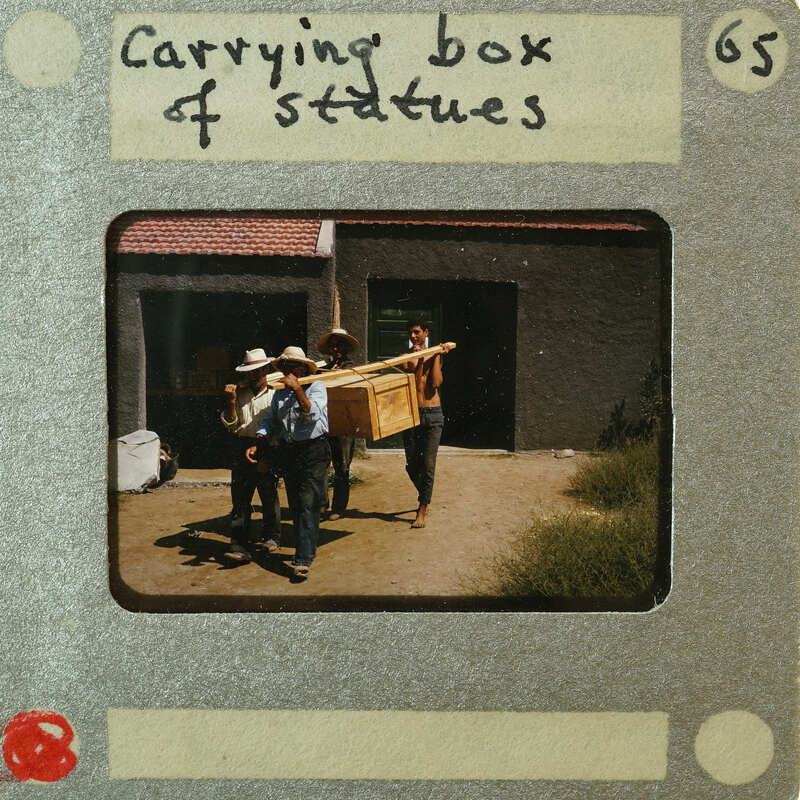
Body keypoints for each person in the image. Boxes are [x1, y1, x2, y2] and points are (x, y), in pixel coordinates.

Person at [247, 346, 330, 579]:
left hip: (314, 450)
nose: (287, 371)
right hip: (290, 451)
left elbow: (312, 415)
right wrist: (260, 439)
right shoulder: (280, 394)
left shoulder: (317, 387)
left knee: (307, 502)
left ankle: (302, 559)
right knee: (295, 503)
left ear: (302, 369)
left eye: (292, 367)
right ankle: (307, 547)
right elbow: (270, 419)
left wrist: (298, 391)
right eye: (284, 367)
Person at [220, 348, 281, 563]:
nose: (255, 375)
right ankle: (238, 546)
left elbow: (279, 425)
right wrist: (230, 401)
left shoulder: (276, 393)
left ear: (266, 370)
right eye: (251, 372)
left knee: (268, 494)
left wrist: (263, 447)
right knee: (240, 498)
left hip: (267, 446)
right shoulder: (239, 393)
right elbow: (231, 424)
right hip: (241, 444)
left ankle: (272, 537)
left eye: (259, 371)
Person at [401, 318, 454, 528]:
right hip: (411, 414)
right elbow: (414, 377)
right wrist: (425, 356)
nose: (413, 336)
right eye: (411, 333)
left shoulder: (436, 356)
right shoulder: (406, 357)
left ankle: (422, 509)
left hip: (433, 414)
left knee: (428, 464)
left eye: (417, 332)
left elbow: (435, 383)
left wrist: (436, 357)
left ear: (425, 332)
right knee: (412, 466)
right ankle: (425, 493)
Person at [317, 327, 359, 519]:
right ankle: (322, 503)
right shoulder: (325, 366)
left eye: (339, 345)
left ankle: (339, 507)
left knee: (342, 466)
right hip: (326, 422)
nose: (336, 349)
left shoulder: (351, 367)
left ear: (346, 347)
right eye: (333, 346)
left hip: (345, 423)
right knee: (323, 463)